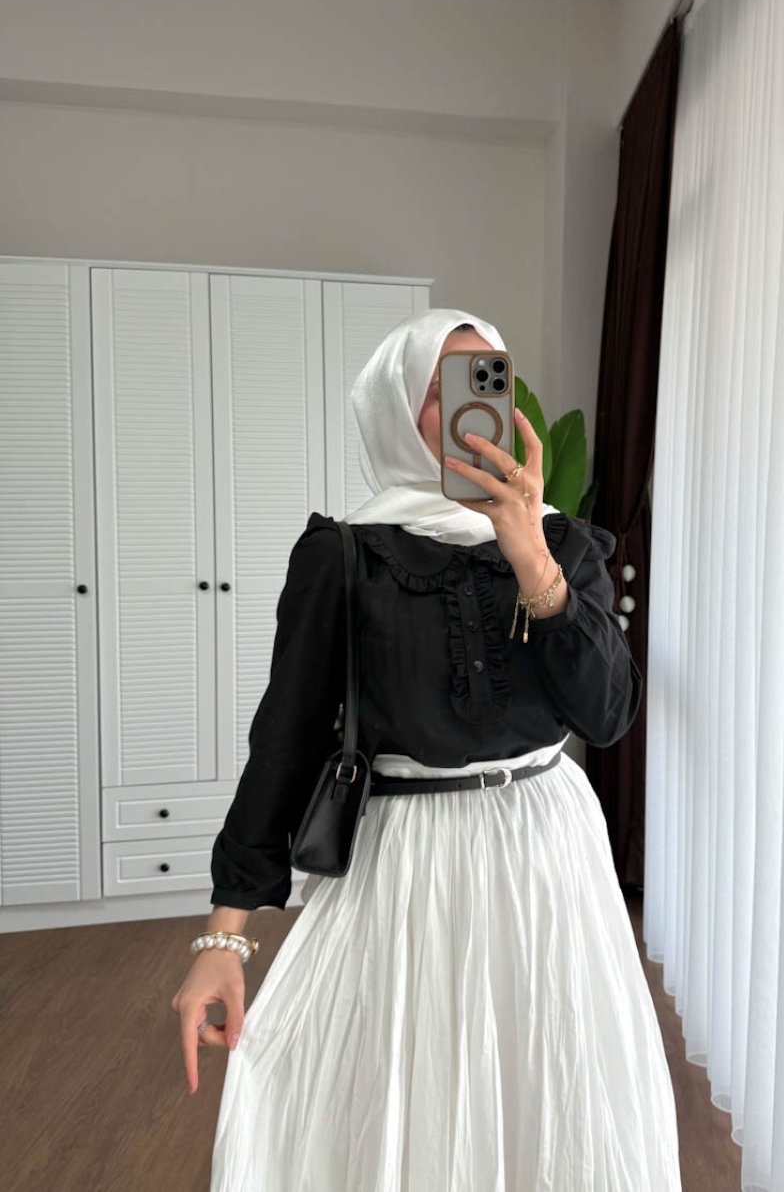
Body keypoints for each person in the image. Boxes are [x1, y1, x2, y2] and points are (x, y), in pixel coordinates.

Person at [171, 308, 683, 1190]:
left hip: (549, 857)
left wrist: (533, 559)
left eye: (490, 380)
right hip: (407, 865)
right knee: (404, 1097)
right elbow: (285, 740)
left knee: (550, 1083)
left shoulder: (564, 543)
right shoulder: (345, 555)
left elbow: (608, 715)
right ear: (397, 408)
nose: (475, 408)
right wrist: (225, 936)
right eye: (446, 387)